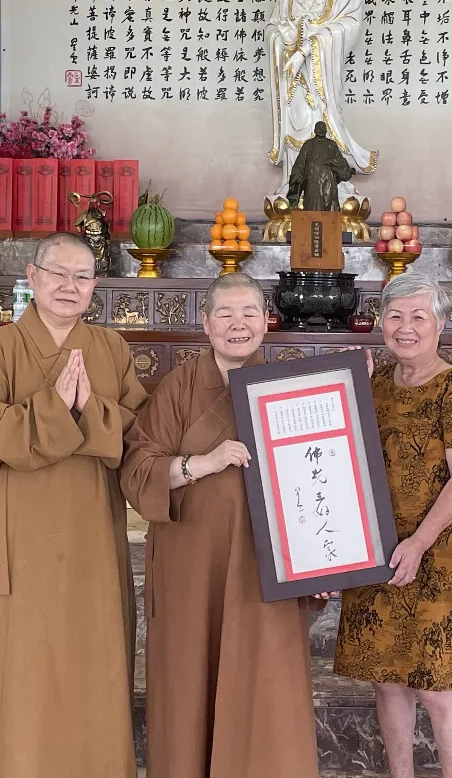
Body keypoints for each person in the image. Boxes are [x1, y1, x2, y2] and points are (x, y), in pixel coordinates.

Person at [0, 232, 146, 778]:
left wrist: (92, 409)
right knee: (26, 663)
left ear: (94, 288)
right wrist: (56, 410)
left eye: (81, 277)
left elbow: (139, 431)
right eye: (57, 274)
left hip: (91, 530)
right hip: (22, 530)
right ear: (32, 279)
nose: (69, 286)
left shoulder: (110, 349)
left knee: (94, 653)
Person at [120, 272, 319, 778]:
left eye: (249, 313)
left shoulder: (289, 388)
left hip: (265, 566)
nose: (238, 324)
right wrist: (200, 464)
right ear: (204, 322)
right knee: (189, 675)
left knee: (264, 680)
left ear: (266, 321)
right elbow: (137, 468)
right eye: (225, 314)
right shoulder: (178, 386)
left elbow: (319, 481)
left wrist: (325, 565)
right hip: (192, 560)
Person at [334, 272, 452, 778]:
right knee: (386, 680)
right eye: (394, 316)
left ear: (440, 323)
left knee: (438, 684)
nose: (405, 327)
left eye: (418, 316)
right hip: (376, 551)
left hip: (437, 555)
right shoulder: (375, 382)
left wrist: (420, 542)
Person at [266, 0, 377, 202]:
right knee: (296, 123)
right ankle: (293, 188)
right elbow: (274, 24)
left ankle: (331, 189)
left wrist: (310, 46)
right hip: (292, 71)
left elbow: (349, 25)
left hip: (321, 73)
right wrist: (284, 38)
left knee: (321, 122)